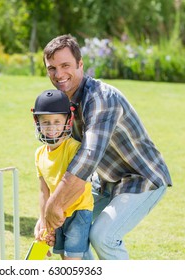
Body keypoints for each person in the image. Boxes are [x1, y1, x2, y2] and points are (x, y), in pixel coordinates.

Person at [40, 34, 172, 259]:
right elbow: (63, 159)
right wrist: (46, 219)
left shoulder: (101, 98)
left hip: (142, 177)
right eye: (52, 68)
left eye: (65, 65)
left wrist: (55, 204)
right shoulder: (64, 103)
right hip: (106, 181)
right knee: (72, 228)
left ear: (81, 65)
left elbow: (88, 157)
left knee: (103, 237)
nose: (59, 74)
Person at [32, 89, 93, 260]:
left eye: (57, 122)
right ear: (37, 121)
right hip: (56, 214)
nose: (51, 128)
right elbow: (44, 192)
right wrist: (44, 223)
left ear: (68, 120)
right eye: (46, 122)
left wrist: (57, 214)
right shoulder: (39, 154)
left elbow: (78, 185)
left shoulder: (74, 148)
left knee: (70, 261)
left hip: (78, 212)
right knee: (62, 258)